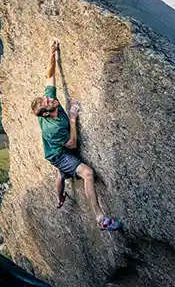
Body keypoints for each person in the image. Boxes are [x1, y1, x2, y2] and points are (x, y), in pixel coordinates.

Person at [30, 39, 123, 232]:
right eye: (49, 101)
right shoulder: (52, 128)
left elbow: (49, 75)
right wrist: (72, 118)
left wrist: (52, 52)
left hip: (53, 152)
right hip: (58, 154)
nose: (51, 99)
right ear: (47, 113)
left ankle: (59, 197)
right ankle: (100, 218)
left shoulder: (51, 104)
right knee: (87, 174)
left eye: (48, 98)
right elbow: (72, 145)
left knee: (61, 173)